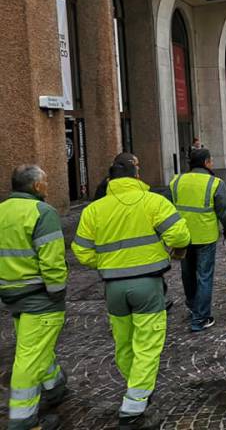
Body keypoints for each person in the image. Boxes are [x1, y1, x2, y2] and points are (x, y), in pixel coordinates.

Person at [72, 153, 191, 428]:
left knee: (124, 343)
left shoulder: (93, 210)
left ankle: (135, 386)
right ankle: (135, 401)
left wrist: (103, 262)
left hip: (113, 287)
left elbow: (81, 250)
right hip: (148, 284)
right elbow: (180, 236)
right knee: (148, 345)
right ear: (137, 176)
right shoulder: (153, 201)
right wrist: (166, 250)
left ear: (111, 178)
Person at [1, 165, 68, 430]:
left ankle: (54, 387)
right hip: (39, 296)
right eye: (47, 181)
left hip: (11, 294)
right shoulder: (42, 212)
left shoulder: (2, 210)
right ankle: (23, 421)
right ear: (37, 186)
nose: (48, 186)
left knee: (34, 344)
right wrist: (57, 291)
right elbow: (51, 260)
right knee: (29, 357)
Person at [170, 149, 226, 332]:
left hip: (182, 236)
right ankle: (200, 317)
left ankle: (193, 307)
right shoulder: (215, 183)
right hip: (205, 237)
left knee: (187, 274)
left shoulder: (176, 181)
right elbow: (225, 212)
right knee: (204, 276)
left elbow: (168, 208)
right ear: (206, 162)